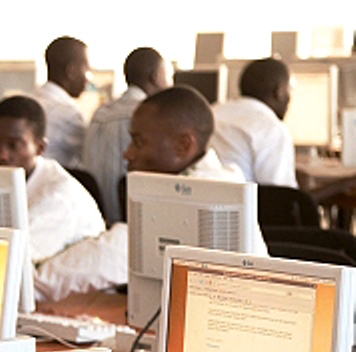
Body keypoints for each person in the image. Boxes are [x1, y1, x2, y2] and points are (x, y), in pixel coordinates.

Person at [35, 86, 263, 302]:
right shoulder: (198, 183)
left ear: (183, 145)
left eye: (139, 142)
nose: (128, 153)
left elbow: (118, 251)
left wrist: (34, 281)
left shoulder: (207, 194)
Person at [0, 95, 104, 264]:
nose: (0, 155)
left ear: (40, 148)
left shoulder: (57, 197)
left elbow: (13, 261)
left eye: (13, 145)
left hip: (77, 287)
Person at [81, 47, 170, 224]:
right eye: (168, 76)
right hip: (134, 222)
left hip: (98, 221)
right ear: (157, 76)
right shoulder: (152, 120)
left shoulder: (99, 115)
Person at [210, 58, 296, 187]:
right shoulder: (271, 128)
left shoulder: (212, 112)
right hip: (243, 205)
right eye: (288, 89)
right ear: (279, 91)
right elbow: (281, 195)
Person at [35, 37, 90, 168]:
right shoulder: (68, 114)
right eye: (86, 70)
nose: (88, 79)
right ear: (71, 71)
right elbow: (90, 159)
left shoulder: (31, 102)